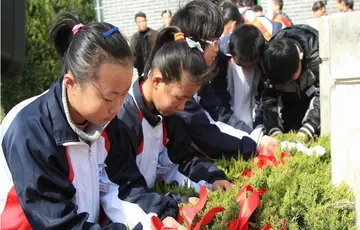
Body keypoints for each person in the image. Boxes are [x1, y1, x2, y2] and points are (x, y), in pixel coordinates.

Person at [0, 12, 165, 229]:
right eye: (108, 97)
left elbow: (123, 182)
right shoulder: (30, 131)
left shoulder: (105, 119)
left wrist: (160, 216)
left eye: (124, 94)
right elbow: (56, 222)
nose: (117, 108)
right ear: (71, 83)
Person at [117, 27, 232, 220]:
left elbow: (181, 160)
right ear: (157, 81)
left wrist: (213, 179)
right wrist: (176, 202)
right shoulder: (123, 119)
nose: (182, 107)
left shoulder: (166, 114)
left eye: (187, 100)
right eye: (180, 98)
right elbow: (126, 189)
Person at [170, 0, 277, 160]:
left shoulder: (201, 76)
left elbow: (218, 114)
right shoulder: (177, 81)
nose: (217, 48)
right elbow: (205, 130)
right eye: (213, 41)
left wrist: (256, 136)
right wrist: (255, 144)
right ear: (194, 42)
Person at [260, 24, 321, 140]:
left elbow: (324, 95)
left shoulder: (316, 55)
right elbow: (268, 98)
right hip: (288, 104)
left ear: (300, 57)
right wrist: (274, 129)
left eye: (291, 78)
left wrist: (310, 126)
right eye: (283, 82)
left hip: (311, 98)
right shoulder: (270, 60)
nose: (288, 83)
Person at [227, 24, 266, 131]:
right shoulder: (222, 58)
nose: (246, 70)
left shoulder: (266, 61)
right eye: (241, 65)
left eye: (250, 66)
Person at [130, 12, 158, 77]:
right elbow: (132, 54)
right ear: (136, 23)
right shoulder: (134, 37)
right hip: (141, 70)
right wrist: (137, 64)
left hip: (155, 67)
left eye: (143, 21)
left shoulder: (155, 34)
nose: (142, 24)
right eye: (139, 22)